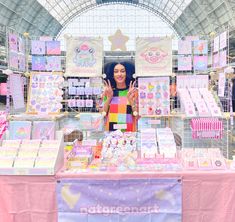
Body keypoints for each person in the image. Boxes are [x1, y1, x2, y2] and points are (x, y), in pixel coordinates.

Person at [102, 62, 138, 132]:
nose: (119, 74)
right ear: (112, 74)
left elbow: (137, 115)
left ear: (127, 73)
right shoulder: (108, 92)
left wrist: (131, 101)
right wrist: (109, 98)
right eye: (116, 72)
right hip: (111, 132)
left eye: (122, 71)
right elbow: (103, 113)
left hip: (129, 132)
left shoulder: (133, 92)